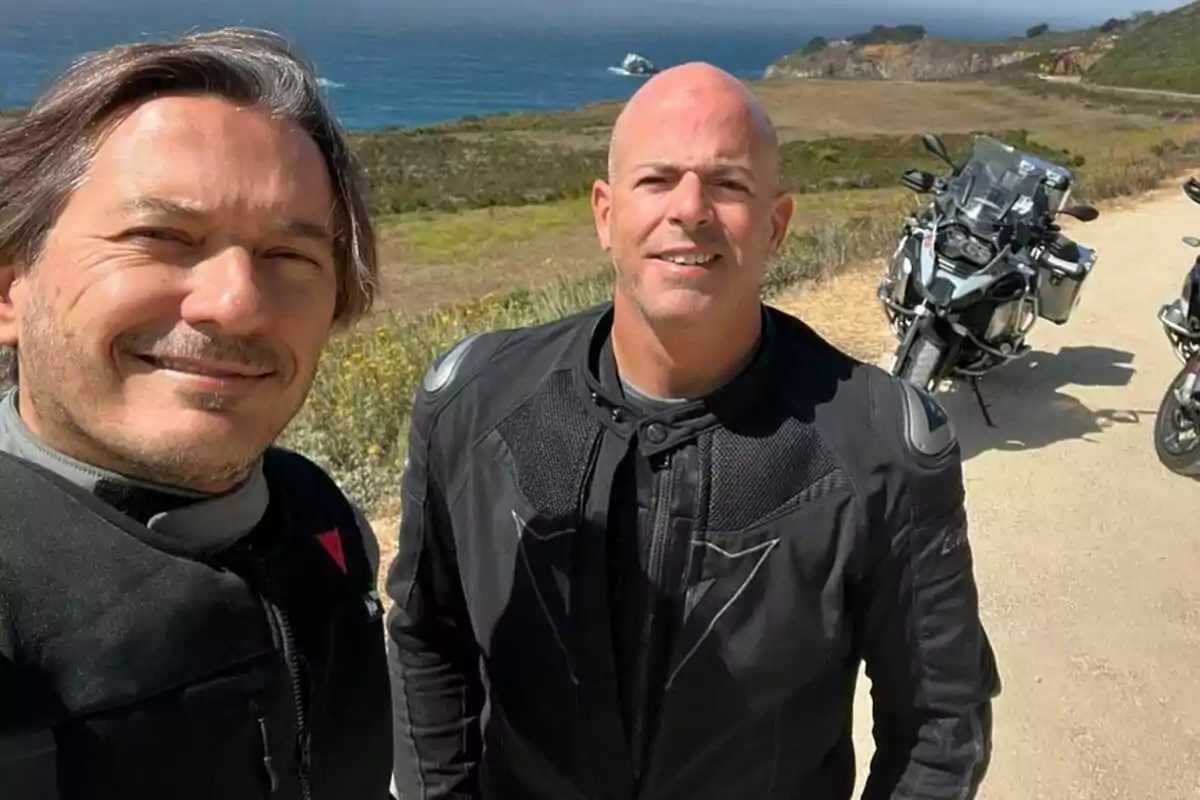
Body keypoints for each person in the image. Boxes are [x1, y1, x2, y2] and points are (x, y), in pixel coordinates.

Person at [385, 62, 1002, 799]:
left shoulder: (881, 449)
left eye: (729, 183)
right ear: (604, 215)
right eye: (657, 180)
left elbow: (940, 724)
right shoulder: (475, 405)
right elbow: (428, 639)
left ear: (776, 226)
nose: (691, 208)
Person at [0, 28, 394, 799]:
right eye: (161, 238)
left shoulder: (313, 515)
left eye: (290, 258)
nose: (236, 304)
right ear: (10, 290)